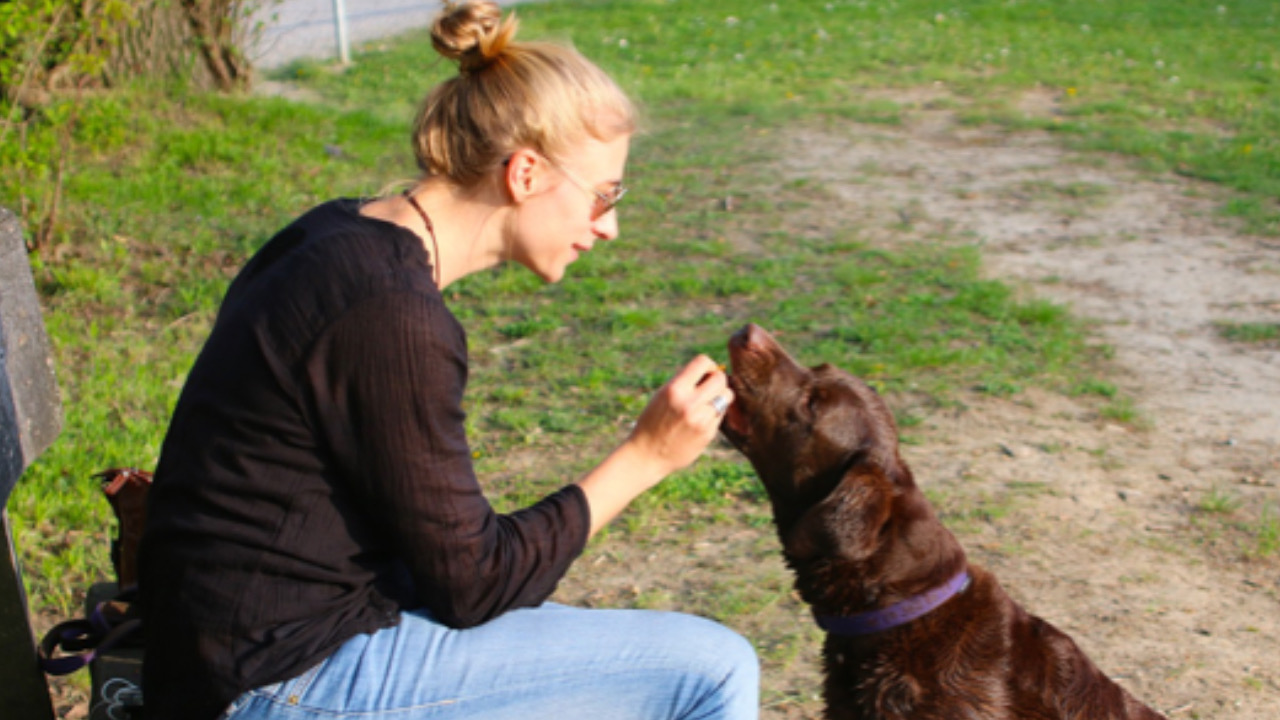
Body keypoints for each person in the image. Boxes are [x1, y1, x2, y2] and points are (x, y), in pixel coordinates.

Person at [136, 2, 759, 719]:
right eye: (603, 196)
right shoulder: (392, 317)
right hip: (273, 678)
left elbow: (445, 560)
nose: (609, 226)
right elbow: (473, 585)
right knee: (712, 672)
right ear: (525, 173)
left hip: (240, 644)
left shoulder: (340, 235)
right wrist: (648, 455)